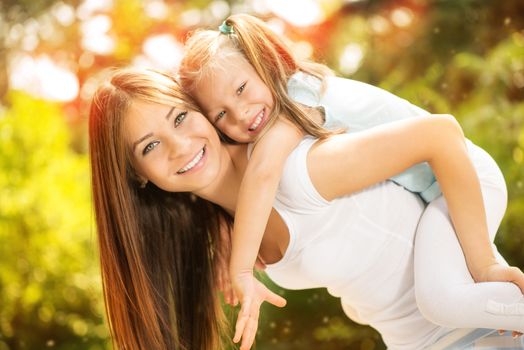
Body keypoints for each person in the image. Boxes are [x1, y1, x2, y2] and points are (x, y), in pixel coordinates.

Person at [88, 67, 524, 350]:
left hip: (482, 326)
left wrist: (483, 264)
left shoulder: (297, 171)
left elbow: (438, 136)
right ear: (137, 176)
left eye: (181, 117)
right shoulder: (236, 228)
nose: (180, 146)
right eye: (150, 146)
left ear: (203, 113)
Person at [177, 14, 524, 347]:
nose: (241, 113)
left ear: (264, 64)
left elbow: (262, 173)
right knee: (474, 305)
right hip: (442, 189)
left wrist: (484, 264)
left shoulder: (297, 100)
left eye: (241, 88)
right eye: (220, 114)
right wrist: (223, 233)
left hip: (463, 176)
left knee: (443, 300)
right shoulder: (276, 109)